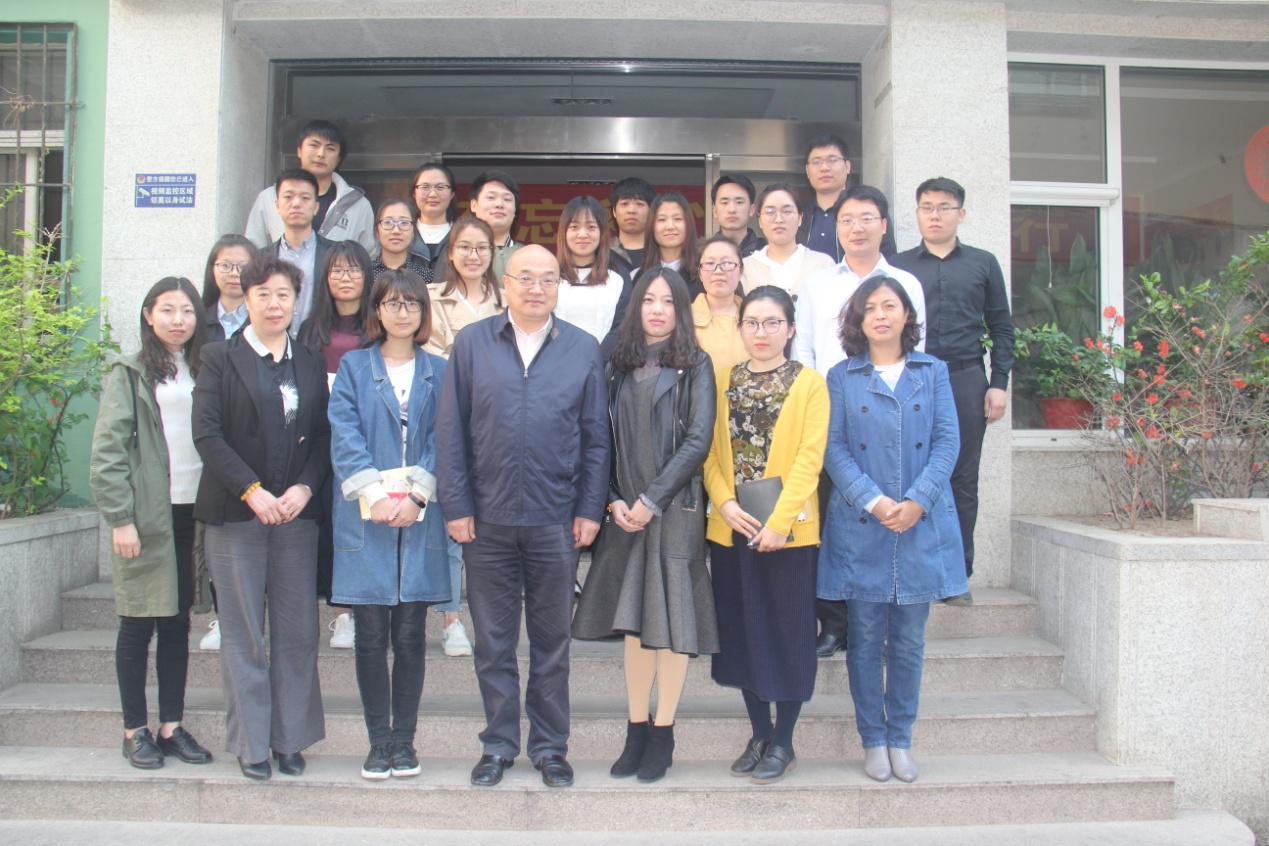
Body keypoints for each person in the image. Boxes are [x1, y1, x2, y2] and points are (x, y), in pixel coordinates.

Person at [436, 245, 609, 790]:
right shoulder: (472, 344)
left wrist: (589, 508)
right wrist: (457, 505)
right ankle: (498, 745)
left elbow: (596, 438)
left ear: (559, 287)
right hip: (485, 520)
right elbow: (451, 431)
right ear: (505, 283)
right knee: (493, 641)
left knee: (553, 644)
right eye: (526, 278)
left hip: (555, 519)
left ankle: (551, 747)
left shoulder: (582, 348)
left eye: (548, 279)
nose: (537, 288)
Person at [818, 276, 967, 784]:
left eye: (890, 306)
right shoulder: (842, 376)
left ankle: (901, 736)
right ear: (857, 320)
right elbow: (834, 448)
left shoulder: (933, 371)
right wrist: (876, 501)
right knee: (863, 638)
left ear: (907, 315)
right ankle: (872, 738)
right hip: (864, 522)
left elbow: (947, 441)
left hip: (920, 523)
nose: (880, 315)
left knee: (907, 641)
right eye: (870, 308)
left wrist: (918, 501)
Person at [572, 267, 717, 784]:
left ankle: (664, 731)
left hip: (673, 509)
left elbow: (698, 440)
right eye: (648, 300)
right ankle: (636, 728)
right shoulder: (616, 363)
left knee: (671, 623)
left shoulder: (696, 363)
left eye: (668, 302)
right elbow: (597, 438)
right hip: (624, 514)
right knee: (634, 623)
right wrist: (613, 500)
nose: (657, 309)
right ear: (635, 307)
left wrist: (652, 500)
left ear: (682, 310)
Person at [192, 255, 330, 781]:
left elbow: (324, 436)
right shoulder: (219, 358)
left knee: (297, 632)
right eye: (264, 294)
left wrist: (304, 488)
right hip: (236, 515)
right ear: (246, 299)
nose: (275, 304)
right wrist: (251, 491)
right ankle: (252, 744)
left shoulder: (310, 360)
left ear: (297, 301)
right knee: (244, 633)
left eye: (284, 295)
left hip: (296, 516)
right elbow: (208, 434)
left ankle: (289, 739)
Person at [328, 268, 451, 780]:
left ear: (424, 312)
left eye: (413, 304)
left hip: (419, 515)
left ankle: (406, 742)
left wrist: (418, 494)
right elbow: (343, 431)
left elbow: (446, 435)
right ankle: (379, 742)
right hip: (367, 515)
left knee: (411, 635)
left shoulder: (440, 370)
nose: (403, 312)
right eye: (393, 303)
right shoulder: (354, 366)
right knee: (371, 635)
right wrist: (375, 495)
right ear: (377, 310)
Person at [703, 285, 828, 784]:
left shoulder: (810, 384)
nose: (762, 332)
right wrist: (725, 504)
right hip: (733, 528)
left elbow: (809, 459)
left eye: (772, 322)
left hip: (788, 534)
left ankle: (784, 740)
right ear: (740, 328)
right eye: (752, 322)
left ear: (790, 328)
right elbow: (709, 455)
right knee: (742, 634)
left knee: (788, 632)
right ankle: (759, 733)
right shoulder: (722, 380)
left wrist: (779, 523)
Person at [794, 184, 925, 659]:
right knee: (832, 518)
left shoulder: (906, 283)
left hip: (889, 417)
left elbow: (918, 349)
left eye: (867, 218)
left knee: (883, 514)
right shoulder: (818, 284)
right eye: (847, 219)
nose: (856, 227)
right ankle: (833, 623)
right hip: (829, 414)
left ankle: (881, 618)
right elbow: (804, 349)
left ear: (884, 226)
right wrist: (812, 407)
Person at [90, 277, 214, 771]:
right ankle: (133, 730)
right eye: (167, 310)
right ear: (148, 315)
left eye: (187, 311)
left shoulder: (204, 366)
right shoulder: (130, 372)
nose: (178, 320)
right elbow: (108, 452)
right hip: (146, 515)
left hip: (192, 512)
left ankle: (171, 726)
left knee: (177, 623)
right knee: (138, 623)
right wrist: (120, 519)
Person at [892, 177, 1014, 606]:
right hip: (911, 377)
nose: (935, 215)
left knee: (962, 478)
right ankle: (908, 570)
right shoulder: (898, 267)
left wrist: (998, 384)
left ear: (961, 213)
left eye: (944, 207)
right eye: (927, 207)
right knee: (907, 474)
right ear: (917, 213)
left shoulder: (983, 263)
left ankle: (956, 575)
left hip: (965, 378)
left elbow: (1002, 327)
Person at [425, 215, 506, 658]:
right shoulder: (430, 297)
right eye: (465, 247)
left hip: (501, 426)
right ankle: (451, 618)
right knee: (454, 519)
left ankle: (493, 619)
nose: (474, 256)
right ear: (451, 252)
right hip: (449, 416)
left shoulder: (507, 297)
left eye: (482, 248)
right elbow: (433, 355)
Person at [298, 240, 374, 649]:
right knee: (329, 526)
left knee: (361, 525)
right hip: (319, 438)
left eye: (353, 269)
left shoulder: (378, 325)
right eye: (337, 271)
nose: (345, 278)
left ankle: (362, 606)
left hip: (367, 438)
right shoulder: (310, 328)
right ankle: (340, 611)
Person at [244, 119, 375, 256]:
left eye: (330, 148)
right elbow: (252, 252)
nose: (321, 154)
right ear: (299, 151)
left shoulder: (358, 205)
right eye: (314, 145)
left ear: (338, 159)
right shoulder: (269, 197)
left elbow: (368, 257)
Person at [796, 134, 896, 262]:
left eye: (832, 160)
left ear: (847, 166)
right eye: (816, 162)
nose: (824, 168)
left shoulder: (869, 209)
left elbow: (888, 259)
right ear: (807, 171)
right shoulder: (798, 215)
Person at [554, 195, 632, 356]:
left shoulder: (618, 276)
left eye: (591, 227)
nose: (583, 234)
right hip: (555, 364)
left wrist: (595, 359)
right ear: (564, 231)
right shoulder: (549, 275)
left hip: (603, 364)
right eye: (574, 227)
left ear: (602, 232)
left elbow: (622, 326)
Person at [265, 169, 335, 336]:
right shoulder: (261, 258)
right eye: (288, 197)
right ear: (277, 205)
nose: (296, 204)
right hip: (274, 344)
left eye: (305, 198)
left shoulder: (334, 254)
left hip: (320, 344)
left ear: (316, 207)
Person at [741, 183, 835, 300]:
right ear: (760, 220)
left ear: (800, 218)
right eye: (770, 212)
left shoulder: (823, 264)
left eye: (787, 211)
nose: (779, 219)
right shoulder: (745, 268)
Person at [691, 234, 748, 371]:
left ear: (740, 271)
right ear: (700, 273)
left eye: (727, 264)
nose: (718, 271)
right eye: (710, 264)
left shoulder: (755, 318)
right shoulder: (684, 318)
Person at [642, 192, 702, 300]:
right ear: (652, 226)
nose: (670, 226)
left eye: (677, 219)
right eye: (662, 220)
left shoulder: (704, 273)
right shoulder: (639, 276)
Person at [200, 235, 259, 343]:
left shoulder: (264, 320)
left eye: (243, 267)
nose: (234, 273)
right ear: (212, 269)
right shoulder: (198, 319)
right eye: (225, 266)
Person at [468, 170, 523, 280]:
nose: (499, 204)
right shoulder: (459, 252)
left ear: (515, 209)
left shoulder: (527, 254)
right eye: (491, 197)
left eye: (507, 199)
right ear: (474, 205)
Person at [408, 161, 459, 277]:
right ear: (414, 193)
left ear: (452, 194)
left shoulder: (463, 235)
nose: (432, 194)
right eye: (425, 187)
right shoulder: (402, 235)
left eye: (440, 187)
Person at [373, 198, 434, 283]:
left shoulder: (427, 277)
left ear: (413, 231)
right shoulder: (366, 274)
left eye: (404, 223)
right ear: (377, 231)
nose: (396, 231)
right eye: (388, 222)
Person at [608, 177, 655, 279]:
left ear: (651, 211)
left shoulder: (661, 252)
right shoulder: (601, 252)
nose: (632, 210)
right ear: (614, 211)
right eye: (624, 204)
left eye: (639, 204)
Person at [712, 174, 766, 258]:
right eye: (725, 203)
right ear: (714, 210)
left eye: (739, 202)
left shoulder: (768, 251)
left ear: (752, 209)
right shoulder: (702, 252)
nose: (732, 209)